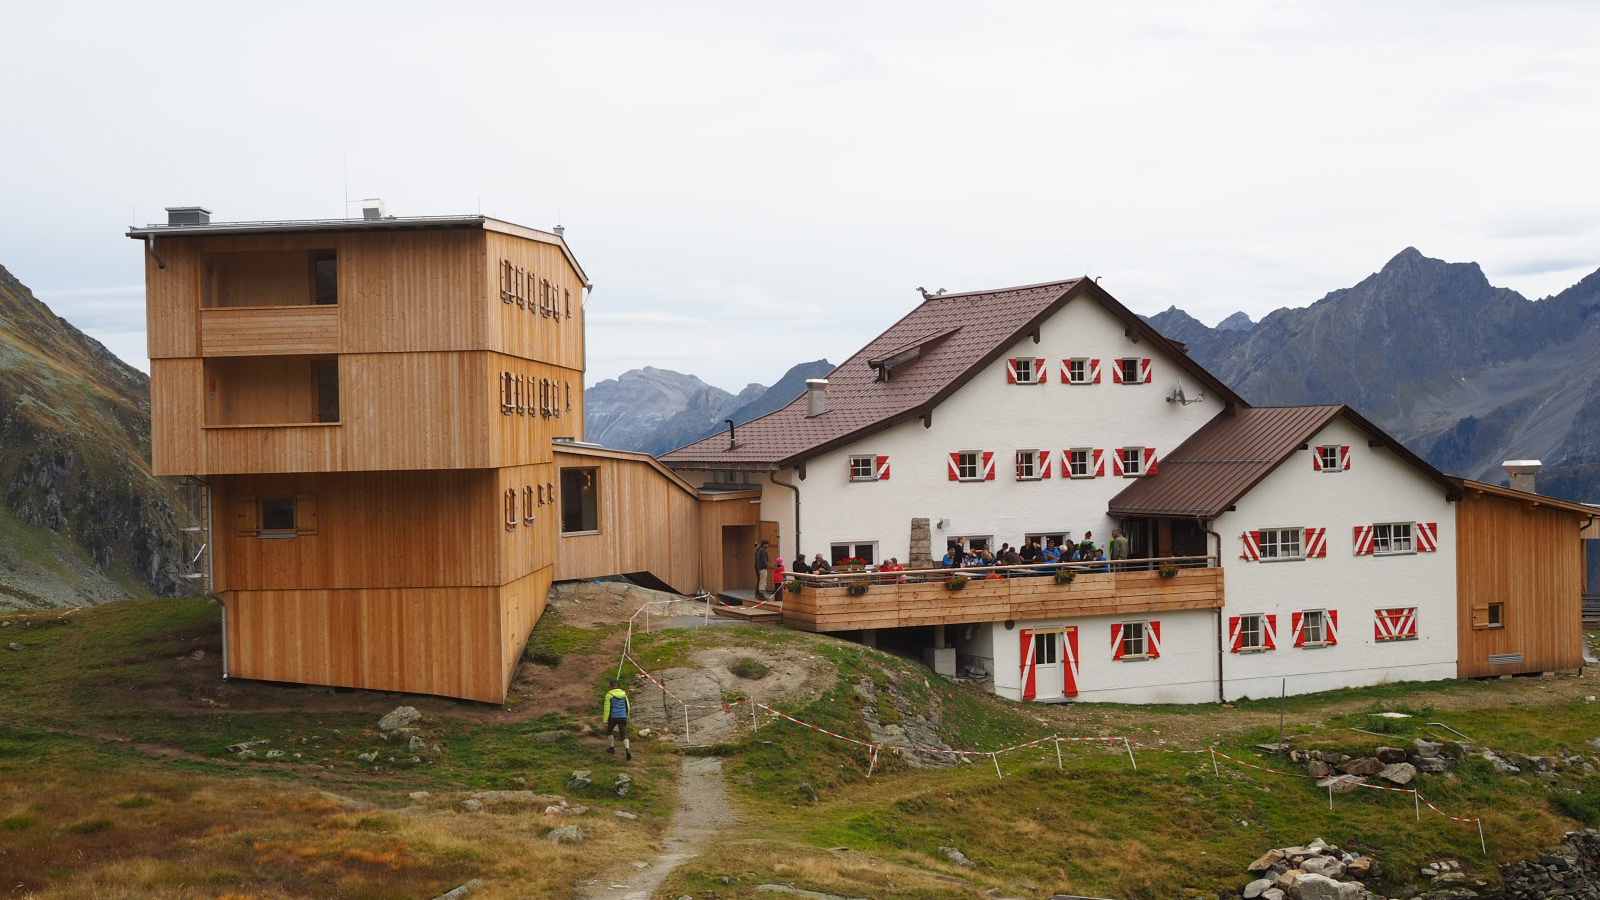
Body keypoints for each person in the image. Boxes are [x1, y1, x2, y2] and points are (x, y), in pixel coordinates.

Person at [601, 677, 632, 761]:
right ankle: (627, 749)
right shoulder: (624, 694)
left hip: (613, 717)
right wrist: (627, 716)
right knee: (624, 734)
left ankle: (612, 747)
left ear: (610, 686)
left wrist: (605, 720)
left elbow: (607, 708)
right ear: (618, 686)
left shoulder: (609, 695)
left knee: (609, 731)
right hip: (623, 716)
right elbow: (628, 706)